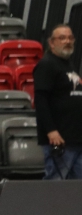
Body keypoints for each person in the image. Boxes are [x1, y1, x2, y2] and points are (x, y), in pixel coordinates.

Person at [34, 24, 82, 180]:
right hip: (60, 139)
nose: (67, 41)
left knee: (76, 188)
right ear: (51, 43)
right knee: (55, 186)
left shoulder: (69, 65)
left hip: (75, 138)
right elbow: (40, 100)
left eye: (70, 37)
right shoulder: (47, 64)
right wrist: (51, 130)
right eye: (62, 38)